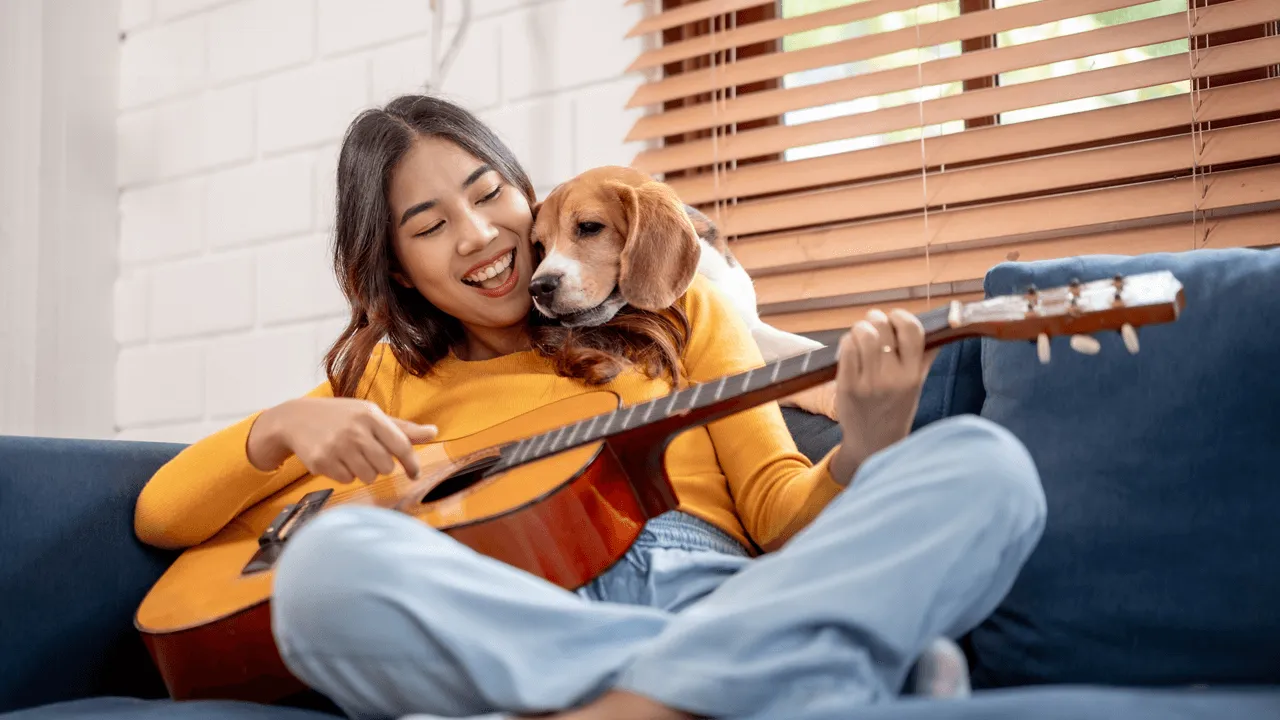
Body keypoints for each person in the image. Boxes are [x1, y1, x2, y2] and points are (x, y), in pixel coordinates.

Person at [133, 95, 1047, 720]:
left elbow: (776, 511)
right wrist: (282, 427)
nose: (480, 234)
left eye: (490, 194)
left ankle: (634, 702)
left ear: (527, 191)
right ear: (396, 264)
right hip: (517, 616)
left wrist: (868, 444)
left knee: (986, 466)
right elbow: (161, 514)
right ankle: (788, 679)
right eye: (429, 225)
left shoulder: (679, 310)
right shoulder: (383, 381)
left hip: (711, 592)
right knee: (327, 569)